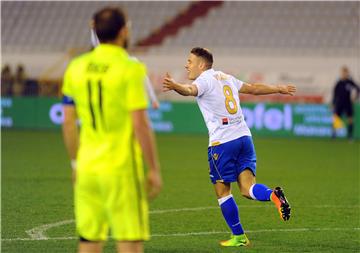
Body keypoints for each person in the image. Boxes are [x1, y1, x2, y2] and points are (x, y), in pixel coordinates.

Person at [162, 47, 296, 247]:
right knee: (247, 188)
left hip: (222, 143)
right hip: (244, 137)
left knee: (223, 192)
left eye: (189, 61)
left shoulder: (204, 80)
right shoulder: (225, 77)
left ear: (201, 64)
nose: (186, 65)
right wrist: (278, 88)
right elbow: (252, 88)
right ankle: (272, 195)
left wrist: (175, 86)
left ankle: (239, 237)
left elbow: (189, 90)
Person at [62, 7, 162, 253]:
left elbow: (67, 122)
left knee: (89, 240)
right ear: (124, 31)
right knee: (128, 240)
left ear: (94, 30)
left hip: (87, 168)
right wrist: (154, 169)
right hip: (122, 169)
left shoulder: (76, 67)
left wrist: (75, 163)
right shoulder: (130, 68)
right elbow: (140, 123)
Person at [90, 21, 160, 110]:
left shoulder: (132, 62)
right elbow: (97, 45)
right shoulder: (108, 60)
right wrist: (93, 30)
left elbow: (145, 80)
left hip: (122, 104)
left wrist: (153, 99)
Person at [332, 66, 360, 139]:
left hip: (348, 103)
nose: (344, 74)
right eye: (343, 72)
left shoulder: (350, 82)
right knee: (336, 119)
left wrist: (355, 97)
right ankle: (334, 135)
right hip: (339, 103)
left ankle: (350, 136)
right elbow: (334, 94)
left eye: (345, 72)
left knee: (350, 119)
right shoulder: (339, 83)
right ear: (341, 73)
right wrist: (333, 103)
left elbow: (358, 89)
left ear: (347, 73)